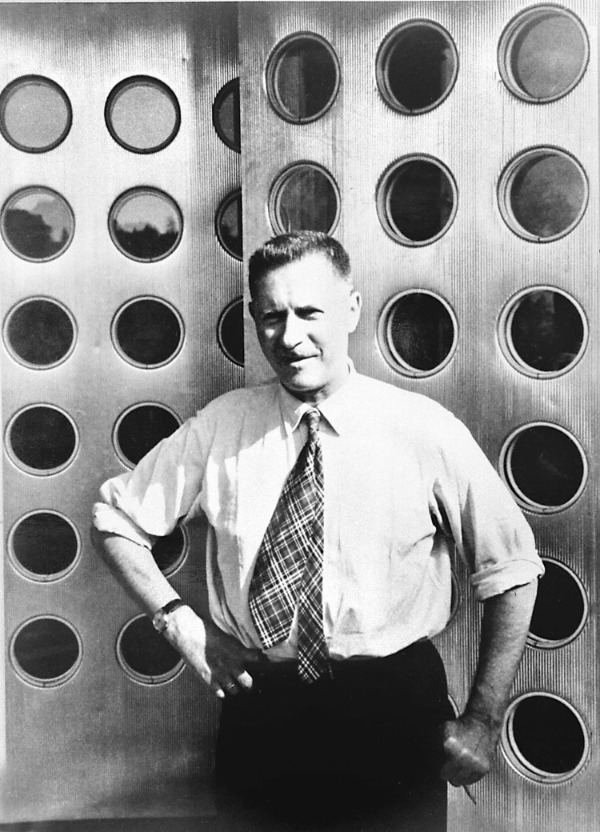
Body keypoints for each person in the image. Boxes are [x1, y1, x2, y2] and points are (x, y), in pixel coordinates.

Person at [92, 231, 543, 832]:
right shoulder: (222, 427)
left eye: (309, 312)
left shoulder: (422, 429)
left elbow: (512, 571)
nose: (290, 336)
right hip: (262, 709)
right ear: (254, 318)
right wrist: (183, 626)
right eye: (272, 316)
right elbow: (115, 522)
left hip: (392, 710)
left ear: (351, 309)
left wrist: (483, 719)